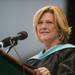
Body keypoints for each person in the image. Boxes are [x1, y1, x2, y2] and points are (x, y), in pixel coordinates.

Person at [24, 5, 75, 75]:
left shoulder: (69, 53)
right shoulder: (31, 62)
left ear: (60, 27)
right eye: (40, 23)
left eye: (49, 22)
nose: (43, 27)